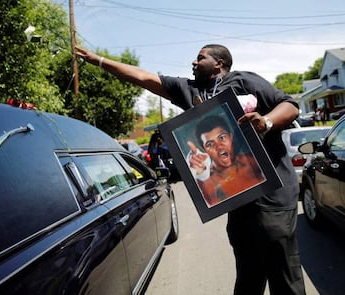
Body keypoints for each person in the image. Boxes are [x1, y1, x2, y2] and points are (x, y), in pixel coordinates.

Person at [75, 44, 306, 295]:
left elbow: (290, 105)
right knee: (248, 275)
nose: (194, 63)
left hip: (273, 196)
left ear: (219, 63)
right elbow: (144, 77)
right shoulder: (191, 90)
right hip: (238, 202)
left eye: (200, 58)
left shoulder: (244, 80)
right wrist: (97, 60)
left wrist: (267, 121)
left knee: (284, 277)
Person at [188, 115, 264, 206]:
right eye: (210, 144)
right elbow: (212, 205)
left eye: (222, 137)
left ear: (231, 137)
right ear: (205, 151)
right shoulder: (208, 181)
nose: (219, 146)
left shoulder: (251, 160)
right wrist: (201, 176)